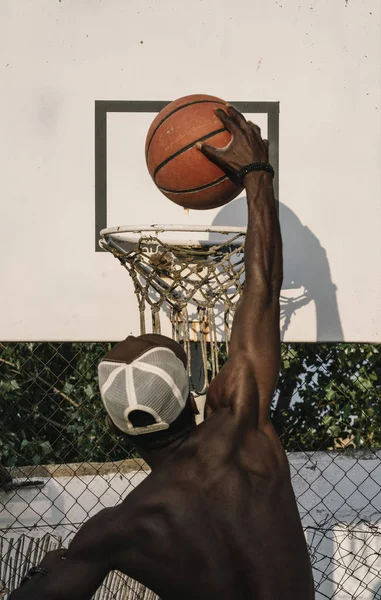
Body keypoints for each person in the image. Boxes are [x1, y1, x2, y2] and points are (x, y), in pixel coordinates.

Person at [9, 106, 315, 600]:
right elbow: (263, 285)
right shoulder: (240, 424)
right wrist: (257, 172)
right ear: (195, 392)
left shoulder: (116, 530)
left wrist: (47, 570)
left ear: (113, 427)